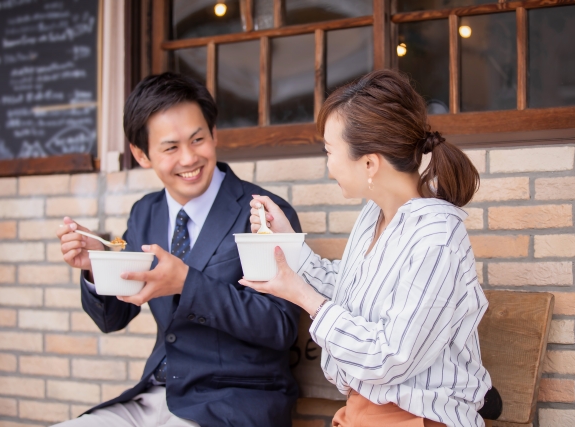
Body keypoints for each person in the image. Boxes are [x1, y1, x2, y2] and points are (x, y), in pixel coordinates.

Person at [240, 69, 491, 427]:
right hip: (363, 412)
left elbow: (389, 357)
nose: (328, 167)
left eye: (329, 151)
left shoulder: (436, 239)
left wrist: (305, 299)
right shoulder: (375, 215)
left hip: (420, 418)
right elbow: (349, 289)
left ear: (370, 163)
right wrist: (285, 242)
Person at [55, 72, 301, 427]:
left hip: (233, 402)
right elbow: (112, 318)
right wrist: (96, 266)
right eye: (170, 147)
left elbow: (279, 327)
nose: (189, 159)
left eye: (198, 139)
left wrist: (188, 283)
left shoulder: (263, 212)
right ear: (142, 154)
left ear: (214, 134)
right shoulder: (146, 212)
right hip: (154, 397)